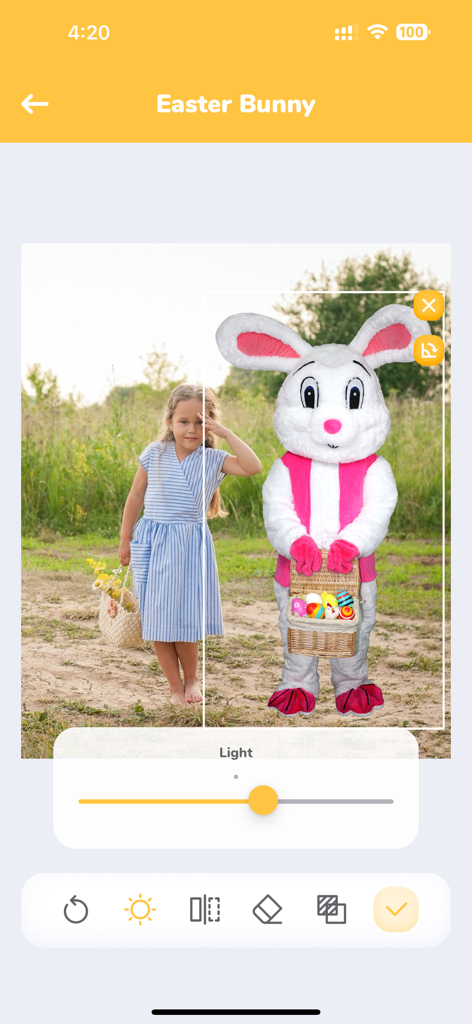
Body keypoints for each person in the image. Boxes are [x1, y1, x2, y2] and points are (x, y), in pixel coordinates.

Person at [118, 384, 261, 706]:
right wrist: (125, 539)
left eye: (200, 421)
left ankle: (192, 680)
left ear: (209, 424)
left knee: (184, 619)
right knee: (157, 619)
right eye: (184, 421)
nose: (192, 429)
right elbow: (135, 496)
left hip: (188, 548)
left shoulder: (212, 459)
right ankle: (173, 686)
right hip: (152, 543)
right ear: (170, 422)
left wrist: (224, 432)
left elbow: (253, 467)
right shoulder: (154, 453)